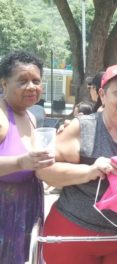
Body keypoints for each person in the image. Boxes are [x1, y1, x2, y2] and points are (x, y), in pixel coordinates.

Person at [36, 63, 117, 264]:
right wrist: (89, 171)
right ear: (102, 95)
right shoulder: (83, 127)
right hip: (74, 234)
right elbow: (44, 171)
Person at [0, 51, 55, 263]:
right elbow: (22, 160)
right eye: (22, 81)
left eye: (36, 81)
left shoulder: (32, 115)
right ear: (4, 84)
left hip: (28, 210)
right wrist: (20, 162)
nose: (31, 86)